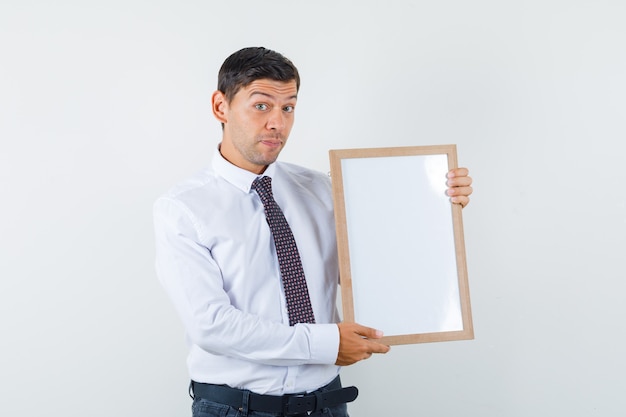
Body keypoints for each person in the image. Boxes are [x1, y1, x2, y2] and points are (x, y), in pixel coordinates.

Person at [153, 46, 473, 417]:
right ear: (220, 107)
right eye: (262, 106)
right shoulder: (182, 208)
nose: (278, 123)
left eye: (288, 107)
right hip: (235, 408)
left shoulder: (323, 189)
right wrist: (325, 344)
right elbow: (211, 325)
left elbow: (376, 265)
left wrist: (437, 202)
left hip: (325, 404)